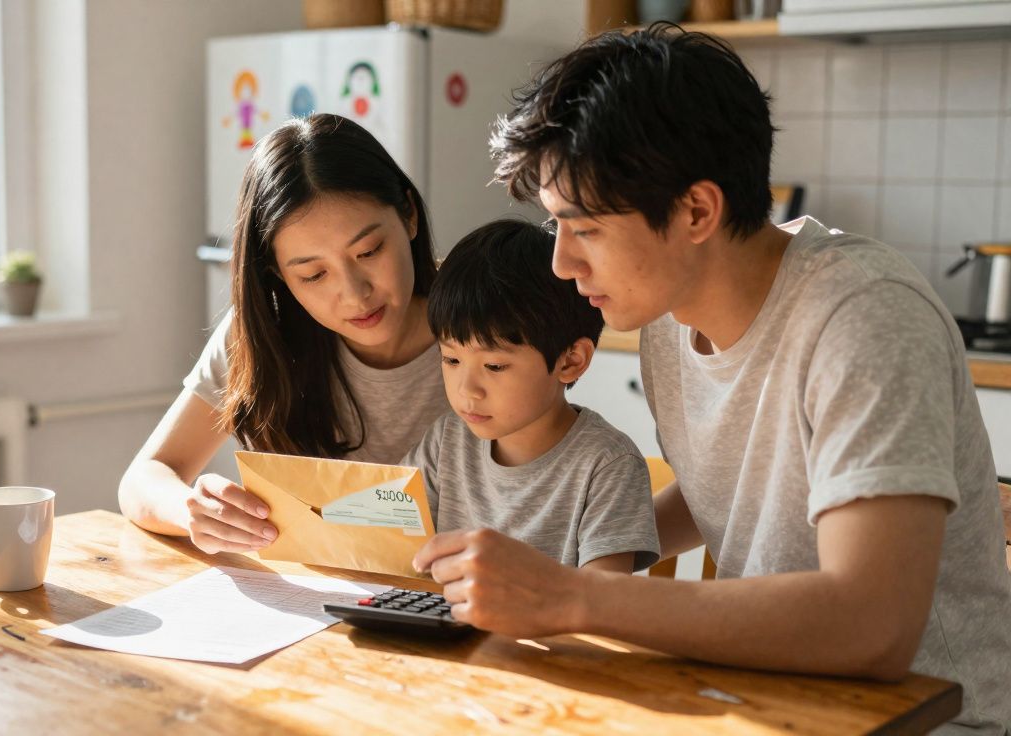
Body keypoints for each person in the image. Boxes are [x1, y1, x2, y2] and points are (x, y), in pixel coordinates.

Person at [412, 24, 1011, 733]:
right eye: (555, 229)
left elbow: (871, 629)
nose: (562, 265)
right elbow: (740, 484)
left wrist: (572, 596)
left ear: (697, 210)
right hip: (759, 692)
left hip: (922, 716)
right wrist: (572, 549)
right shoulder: (668, 320)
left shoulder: (864, 317)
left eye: (587, 230)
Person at [119, 114, 451, 557]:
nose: (354, 295)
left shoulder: (485, 323)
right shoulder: (263, 332)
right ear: (278, 274)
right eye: (314, 275)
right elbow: (145, 476)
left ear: (408, 215)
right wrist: (191, 510)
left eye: (369, 251)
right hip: (321, 604)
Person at [401, 219, 658, 573]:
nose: (466, 389)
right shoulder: (446, 442)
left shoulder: (606, 466)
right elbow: (393, 546)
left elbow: (605, 602)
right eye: (452, 359)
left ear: (570, 361)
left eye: (493, 366)